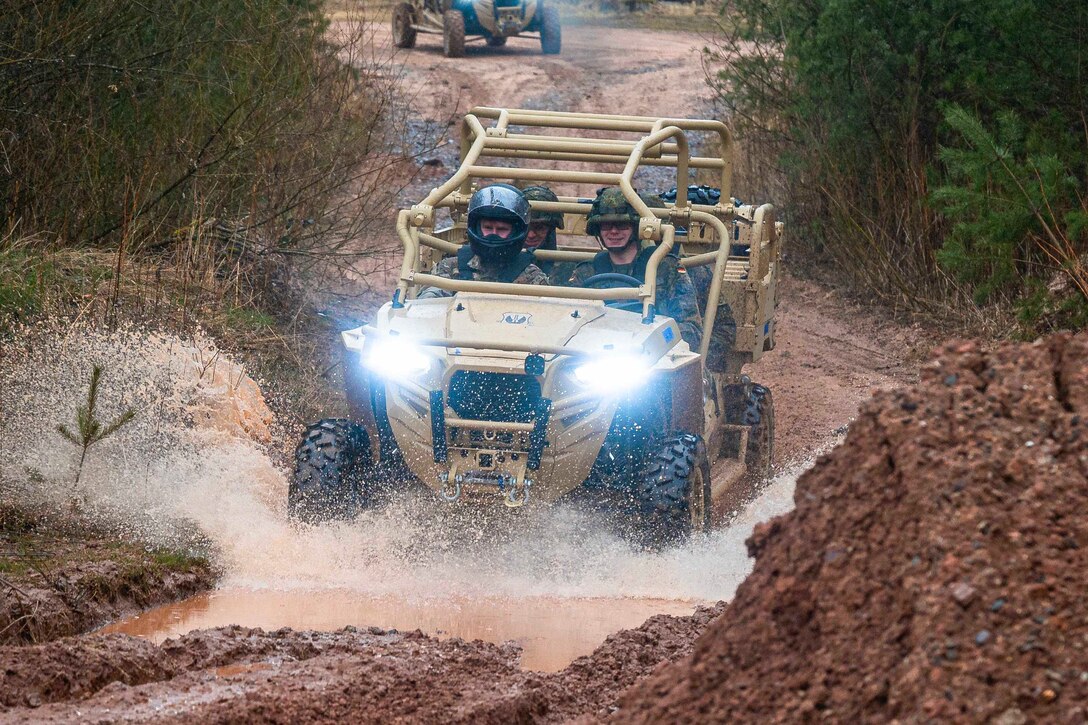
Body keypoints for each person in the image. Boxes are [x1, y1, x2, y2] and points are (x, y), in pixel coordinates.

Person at [569, 187, 703, 351]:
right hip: (595, 356)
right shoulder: (585, 273)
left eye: (622, 225)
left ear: (636, 228)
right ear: (597, 230)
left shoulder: (666, 268)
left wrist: (650, 341)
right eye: (606, 225)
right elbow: (569, 321)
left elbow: (691, 330)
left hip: (657, 359)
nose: (613, 231)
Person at [418, 184, 550, 299]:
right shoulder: (452, 266)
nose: (493, 234)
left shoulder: (532, 276)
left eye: (502, 229)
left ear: (515, 232)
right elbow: (428, 301)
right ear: (477, 228)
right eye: (487, 228)